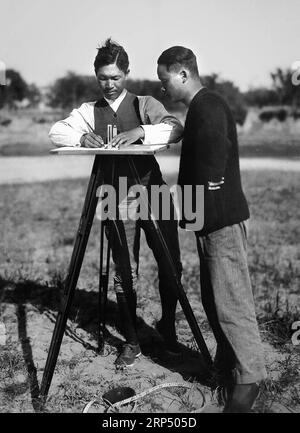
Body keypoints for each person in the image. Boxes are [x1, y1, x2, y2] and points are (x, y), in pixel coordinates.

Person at [49, 39, 183, 369]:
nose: (109, 85)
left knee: (170, 261)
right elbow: (56, 131)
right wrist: (81, 137)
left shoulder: (144, 103)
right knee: (124, 268)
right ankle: (132, 340)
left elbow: (175, 129)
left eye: (115, 77)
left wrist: (141, 131)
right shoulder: (88, 110)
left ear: (126, 73)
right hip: (114, 196)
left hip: (152, 191)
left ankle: (168, 327)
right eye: (103, 78)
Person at [157, 46, 267, 413]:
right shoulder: (199, 108)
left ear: (183, 74)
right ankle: (229, 366)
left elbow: (215, 164)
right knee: (214, 298)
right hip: (209, 220)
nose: (163, 89)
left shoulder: (210, 105)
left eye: (164, 81)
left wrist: (203, 198)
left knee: (232, 302)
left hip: (220, 220)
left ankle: (249, 379)